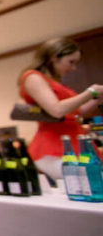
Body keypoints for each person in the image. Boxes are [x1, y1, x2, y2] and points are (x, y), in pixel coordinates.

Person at [18, 37, 102, 180]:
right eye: (71, 62)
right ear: (54, 58)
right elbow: (56, 110)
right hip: (54, 146)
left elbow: (77, 112)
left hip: (75, 141)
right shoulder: (32, 77)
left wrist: (97, 98)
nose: (73, 68)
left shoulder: (55, 82)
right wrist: (90, 92)